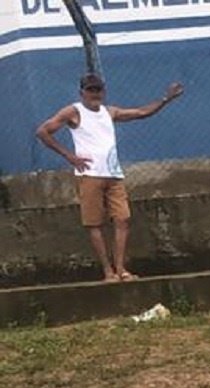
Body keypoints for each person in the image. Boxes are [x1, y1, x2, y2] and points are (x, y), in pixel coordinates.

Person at [35, 73, 184, 283]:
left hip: (113, 173)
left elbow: (141, 112)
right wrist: (70, 156)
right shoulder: (74, 111)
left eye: (98, 90)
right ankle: (108, 271)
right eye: (90, 90)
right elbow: (43, 131)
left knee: (122, 219)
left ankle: (121, 268)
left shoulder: (109, 112)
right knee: (95, 223)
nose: (95, 94)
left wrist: (166, 99)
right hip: (89, 174)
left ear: (103, 92)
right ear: (82, 92)